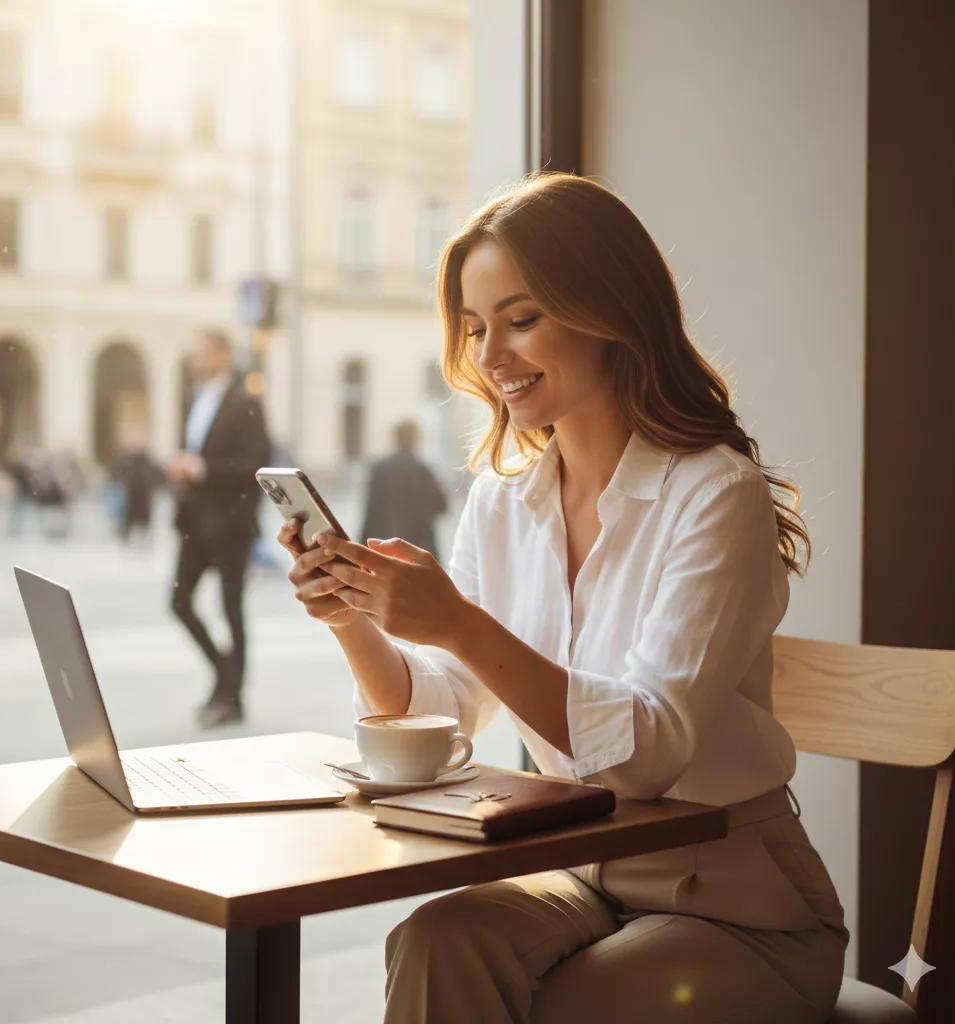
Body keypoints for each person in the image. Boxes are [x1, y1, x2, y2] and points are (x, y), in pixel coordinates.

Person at [278, 173, 847, 1023]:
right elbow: (444, 715)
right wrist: (355, 618)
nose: (491, 355)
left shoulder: (715, 494)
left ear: (610, 309)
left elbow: (647, 754)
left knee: (569, 1005)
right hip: (586, 874)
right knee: (435, 941)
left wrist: (460, 623)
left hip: (739, 902)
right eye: (475, 328)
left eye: (521, 318)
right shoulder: (504, 504)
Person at [168, 329, 269, 728]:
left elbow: (256, 465)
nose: (195, 361)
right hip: (193, 521)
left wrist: (204, 469)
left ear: (224, 355)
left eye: (203, 353)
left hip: (231, 525)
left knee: (232, 610)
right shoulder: (194, 397)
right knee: (179, 602)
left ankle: (233, 698)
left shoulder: (246, 402)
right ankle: (225, 675)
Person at [360, 420, 448, 560]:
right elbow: (442, 506)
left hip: (385, 546)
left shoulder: (380, 469)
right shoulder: (422, 469)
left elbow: (370, 512)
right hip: (419, 547)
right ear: (415, 438)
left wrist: (362, 548)